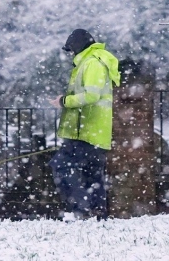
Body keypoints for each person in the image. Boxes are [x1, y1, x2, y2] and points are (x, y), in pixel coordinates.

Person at [49, 29, 120, 220]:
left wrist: (64, 101)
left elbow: (91, 95)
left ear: (78, 46)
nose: (71, 54)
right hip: (95, 131)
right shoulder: (93, 61)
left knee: (61, 165)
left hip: (87, 130)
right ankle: (97, 214)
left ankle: (80, 210)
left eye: (71, 50)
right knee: (92, 175)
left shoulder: (92, 63)